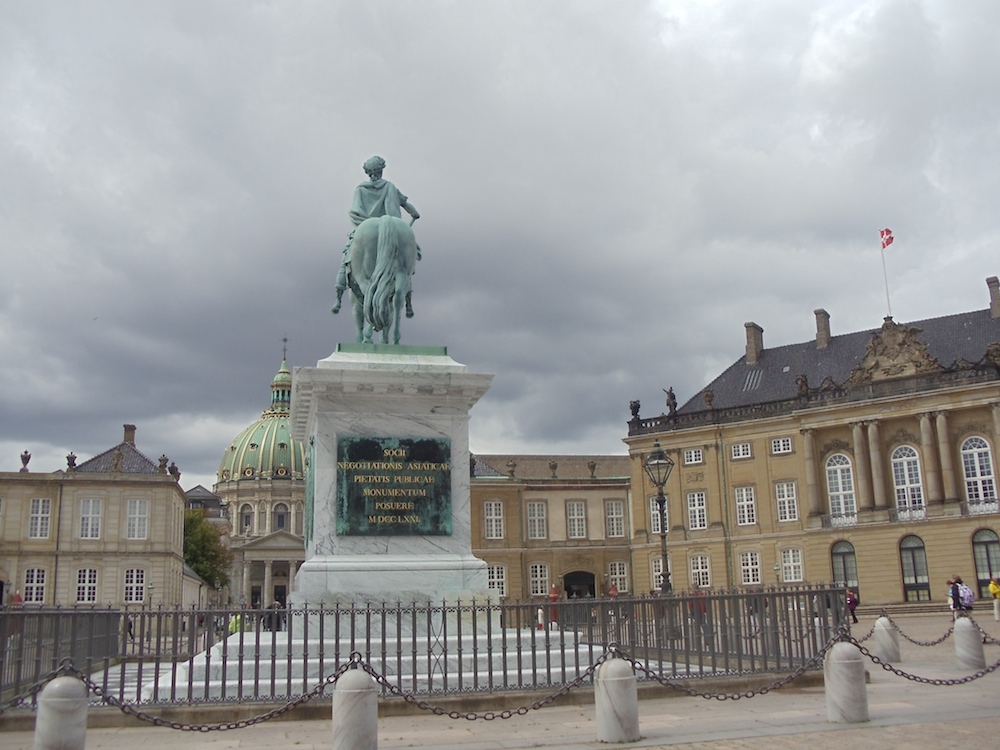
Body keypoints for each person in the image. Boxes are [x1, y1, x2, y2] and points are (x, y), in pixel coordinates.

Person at [332, 155, 421, 315]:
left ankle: (338, 298)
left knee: (346, 259)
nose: (373, 175)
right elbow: (411, 209)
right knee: (405, 267)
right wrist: (414, 215)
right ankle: (408, 303)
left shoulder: (361, 189)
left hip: (364, 227)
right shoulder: (391, 187)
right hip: (394, 227)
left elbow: (355, 212)